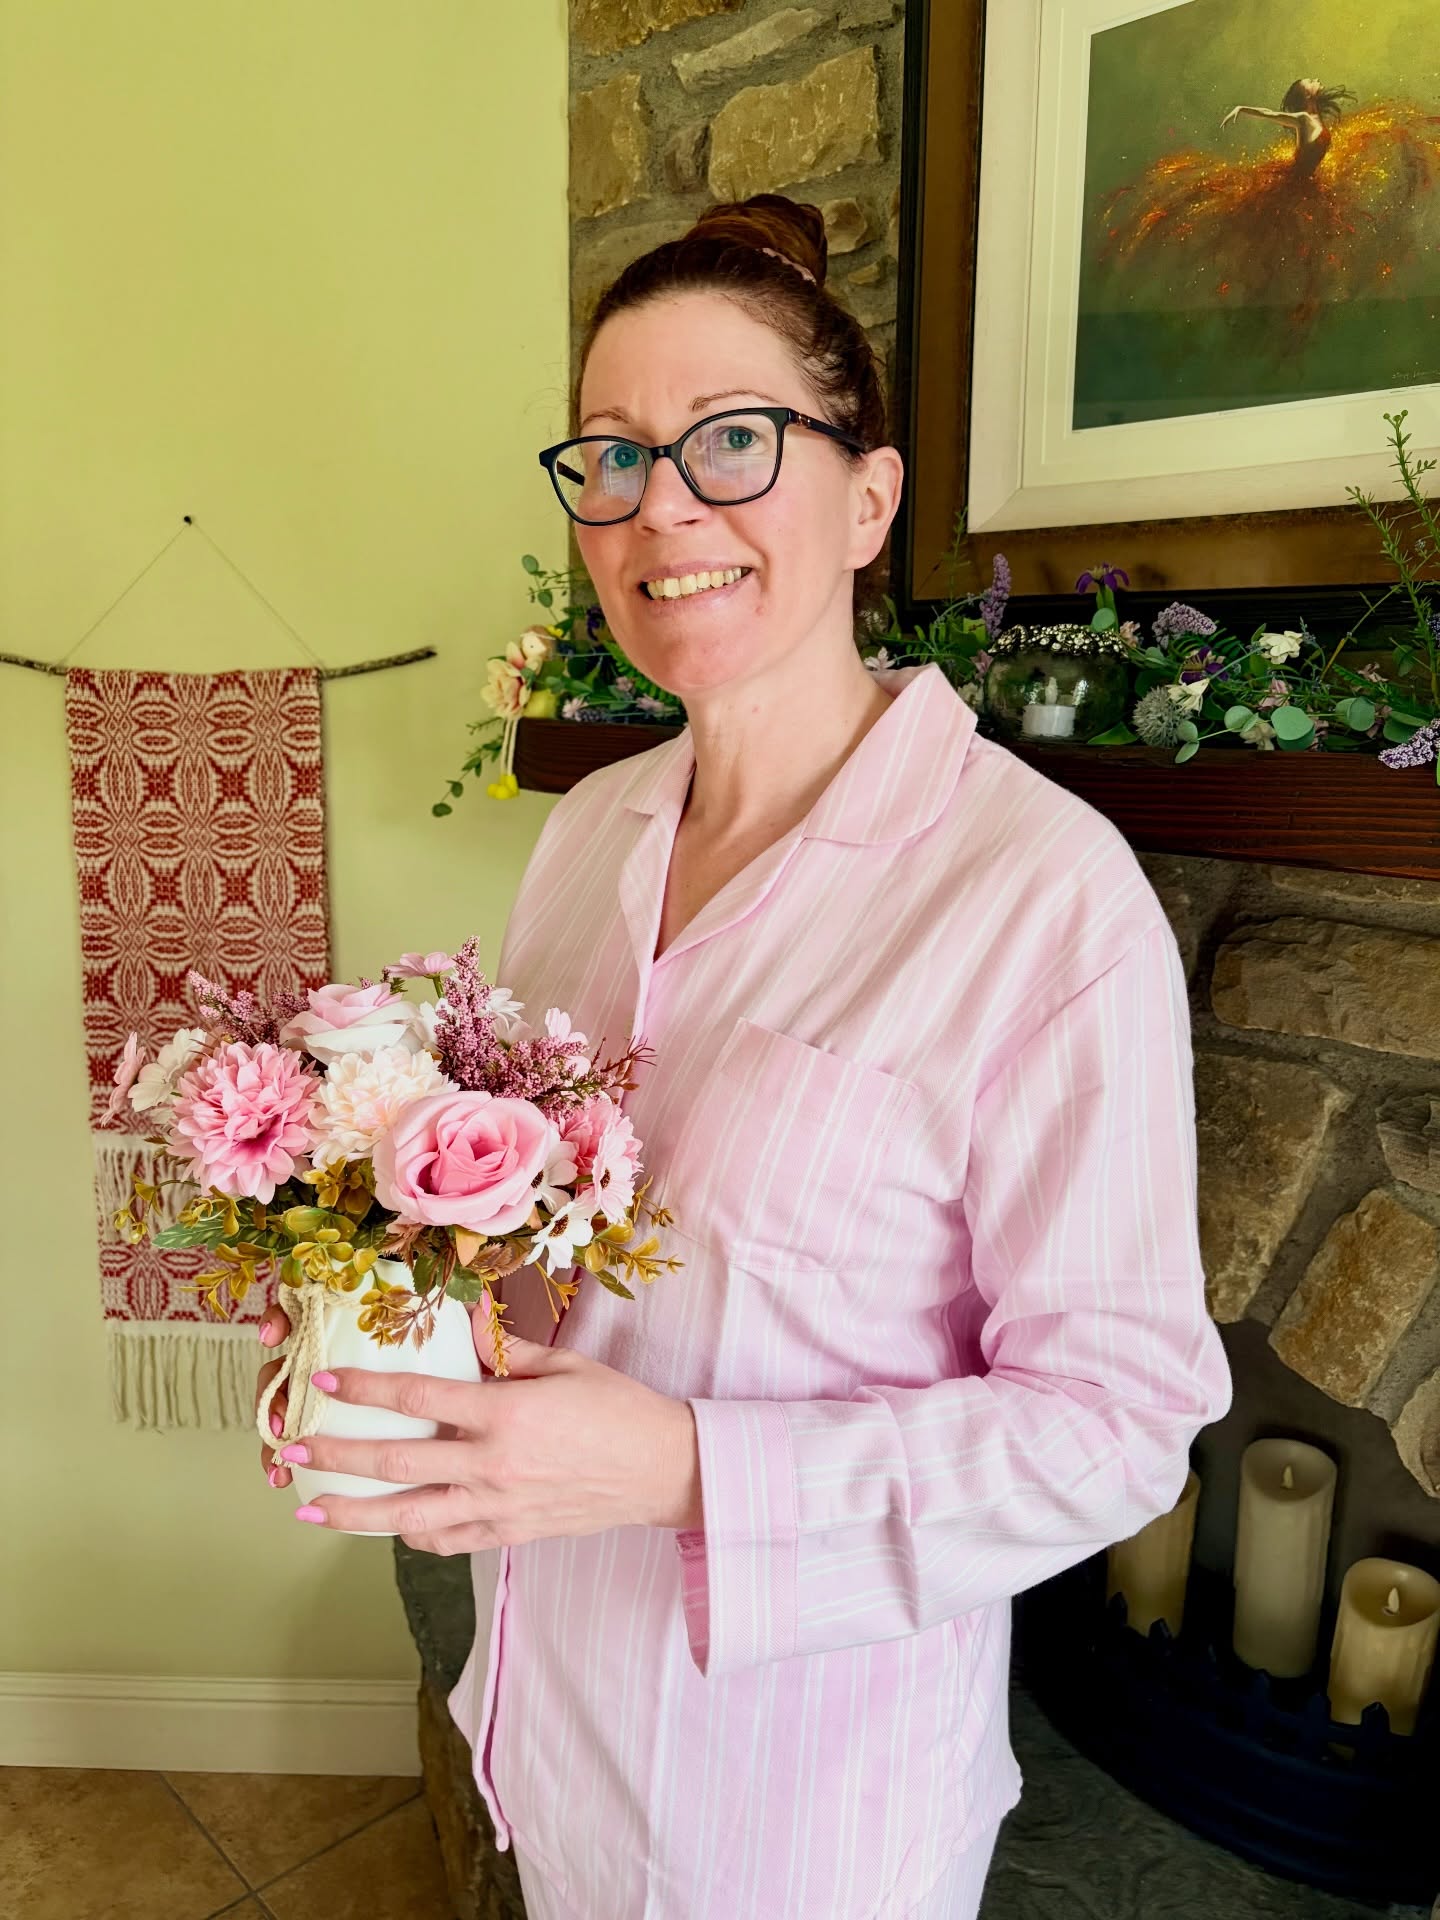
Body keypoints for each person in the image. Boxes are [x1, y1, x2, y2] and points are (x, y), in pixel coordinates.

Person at [257, 193, 1231, 1919]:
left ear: (870, 499)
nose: (662, 509)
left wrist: (687, 1469)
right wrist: (381, 1324)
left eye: (731, 441)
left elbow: (1117, 1428)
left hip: (802, 1821)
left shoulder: (1041, 900)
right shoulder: (591, 834)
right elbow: (558, 1250)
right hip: (545, 1726)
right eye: (613, 459)